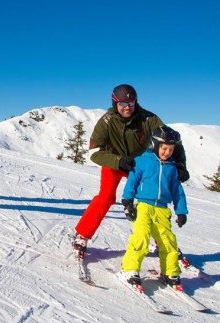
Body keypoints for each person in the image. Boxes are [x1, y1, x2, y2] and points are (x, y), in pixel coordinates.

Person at [73, 84, 189, 258]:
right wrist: (118, 161)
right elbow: (94, 151)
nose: (128, 107)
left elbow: (171, 140)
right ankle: (82, 235)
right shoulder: (107, 121)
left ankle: (161, 242)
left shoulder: (148, 119)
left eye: (131, 103)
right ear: (115, 103)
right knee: (105, 197)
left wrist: (180, 165)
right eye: (123, 104)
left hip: (139, 164)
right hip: (114, 163)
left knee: (151, 200)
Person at [120, 125, 188, 288]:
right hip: (143, 206)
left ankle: (170, 272)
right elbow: (132, 181)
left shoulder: (172, 167)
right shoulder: (142, 161)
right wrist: (127, 201)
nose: (167, 152)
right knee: (141, 237)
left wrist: (181, 211)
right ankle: (129, 269)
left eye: (171, 149)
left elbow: (178, 191)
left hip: (162, 210)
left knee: (168, 241)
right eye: (164, 148)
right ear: (155, 145)